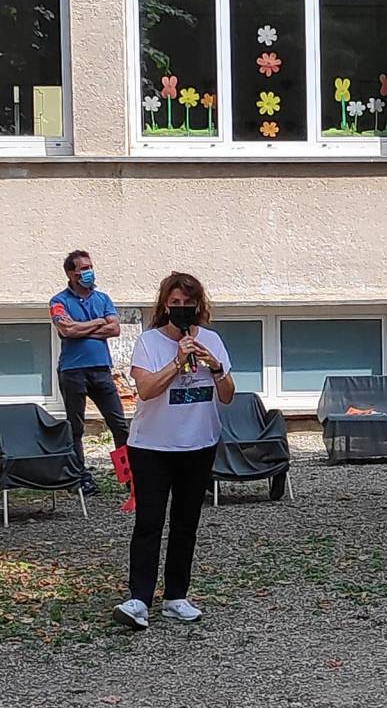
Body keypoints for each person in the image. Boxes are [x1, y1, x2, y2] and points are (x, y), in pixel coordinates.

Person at [113, 272, 234, 630]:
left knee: (186, 524)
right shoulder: (149, 342)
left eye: (188, 304)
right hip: (152, 447)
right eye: (175, 303)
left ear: (199, 306)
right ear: (165, 305)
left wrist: (213, 366)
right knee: (149, 522)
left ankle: (176, 597)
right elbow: (147, 390)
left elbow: (227, 395)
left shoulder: (212, 339)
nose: (182, 309)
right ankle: (139, 599)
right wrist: (176, 361)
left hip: (198, 445)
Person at [49, 250, 131, 495]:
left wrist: (80, 327)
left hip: (101, 370)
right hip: (72, 371)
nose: (88, 272)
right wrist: (98, 322)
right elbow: (67, 331)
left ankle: (129, 477)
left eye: (90, 267)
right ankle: (81, 479)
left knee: (119, 424)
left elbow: (115, 329)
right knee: (76, 427)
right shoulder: (58, 301)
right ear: (71, 273)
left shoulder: (103, 298)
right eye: (83, 269)